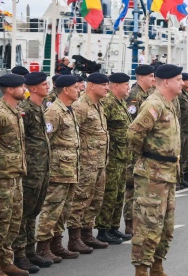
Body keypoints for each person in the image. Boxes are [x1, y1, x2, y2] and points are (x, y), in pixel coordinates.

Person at [127, 64, 183, 276]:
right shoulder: (154, 104)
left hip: (168, 174)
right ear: (167, 82)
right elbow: (133, 134)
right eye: (178, 79)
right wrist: (147, 156)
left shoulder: (168, 103)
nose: (182, 83)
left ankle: (157, 268)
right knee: (148, 226)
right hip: (152, 175)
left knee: (166, 227)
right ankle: (141, 270)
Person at [0, 74, 29, 276]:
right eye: (21, 86)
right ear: (10, 90)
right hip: (3, 176)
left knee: (13, 221)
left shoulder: (15, 111)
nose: (24, 89)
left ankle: (6, 261)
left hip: (16, 175)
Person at [34, 75, 81, 263]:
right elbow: (46, 141)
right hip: (58, 170)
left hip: (70, 169)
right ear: (66, 90)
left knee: (64, 210)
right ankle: (43, 247)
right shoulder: (54, 111)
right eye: (76, 87)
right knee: (51, 209)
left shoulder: (69, 110)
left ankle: (56, 244)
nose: (79, 90)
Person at [14, 72, 54, 270]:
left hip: (42, 168)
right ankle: (19, 254)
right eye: (44, 84)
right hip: (30, 169)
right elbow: (21, 140)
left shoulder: (40, 108)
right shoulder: (26, 110)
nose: (47, 87)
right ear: (34, 88)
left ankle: (30, 251)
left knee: (33, 212)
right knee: (24, 212)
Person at [69, 73, 111, 253]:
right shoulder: (80, 106)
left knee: (96, 199)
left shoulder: (98, 105)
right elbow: (71, 134)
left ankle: (87, 233)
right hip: (85, 163)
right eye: (103, 85)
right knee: (80, 200)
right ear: (91, 85)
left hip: (100, 161)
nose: (107, 88)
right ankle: (74, 238)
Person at [96, 73, 133, 244]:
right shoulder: (108, 103)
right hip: (111, 156)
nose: (128, 88)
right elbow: (102, 128)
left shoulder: (120, 103)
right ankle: (103, 229)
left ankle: (113, 227)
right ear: (116, 86)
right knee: (109, 193)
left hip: (122, 156)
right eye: (126, 85)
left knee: (119, 193)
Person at [123, 64, 155, 235]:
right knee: (132, 186)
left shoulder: (146, 94)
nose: (153, 79)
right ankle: (129, 222)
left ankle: (139, 219)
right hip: (134, 149)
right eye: (150, 76)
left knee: (142, 186)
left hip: (143, 148)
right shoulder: (135, 96)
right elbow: (133, 124)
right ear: (141, 77)